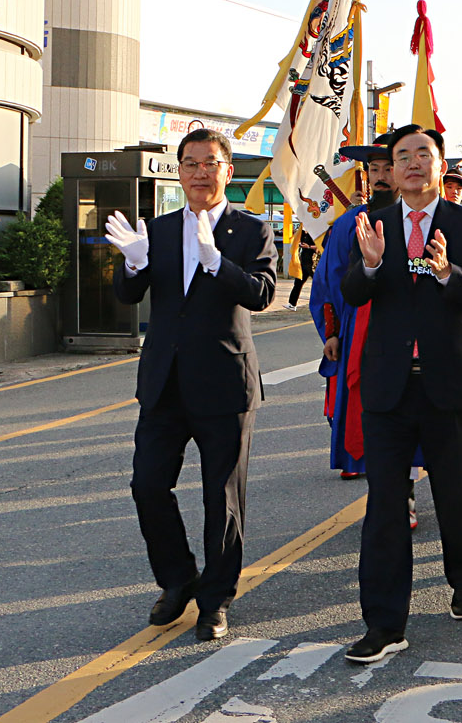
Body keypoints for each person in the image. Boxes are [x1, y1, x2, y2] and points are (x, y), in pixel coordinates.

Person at [105, 128, 278, 642]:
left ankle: (216, 599)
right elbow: (127, 292)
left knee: (221, 498)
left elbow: (263, 293)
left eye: (210, 164)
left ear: (228, 171)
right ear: (178, 171)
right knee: (147, 485)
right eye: (190, 164)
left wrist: (215, 262)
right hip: (164, 382)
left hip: (225, 383)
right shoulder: (156, 229)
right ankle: (178, 579)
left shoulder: (251, 230)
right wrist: (135, 259)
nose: (200, 173)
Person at [340, 124, 462, 663]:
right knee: (385, 505)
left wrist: (447, 271)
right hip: (388, 387)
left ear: (439, 165)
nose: (411, 163)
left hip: (447, 383)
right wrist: (368, 264)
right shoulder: (373, 224)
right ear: (391, 168)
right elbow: (351, 291)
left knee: (457, 494)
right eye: (402, 156)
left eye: (422, 155)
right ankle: (384, 624)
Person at [309, 139, 401, 483]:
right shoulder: (351, 222)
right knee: (356, 393)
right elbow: (328, 278)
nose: (381, 176)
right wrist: (331, 331)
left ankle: (402, 481)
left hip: (406, 324)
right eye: (374, 169)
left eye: (388, 168)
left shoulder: (415, 218)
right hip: (357, 322)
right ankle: (357, 457)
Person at [284, 228, 318, 309]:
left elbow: (319, 246)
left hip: (312, 262)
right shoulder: (302, 232)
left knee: (318, 283)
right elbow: (295, 238)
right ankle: (292, 303)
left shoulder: (315, 232)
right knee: (298, 283)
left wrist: (309, 246)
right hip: (304, 261)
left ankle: (322, 303)